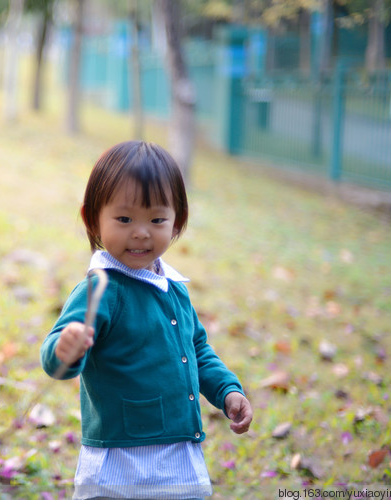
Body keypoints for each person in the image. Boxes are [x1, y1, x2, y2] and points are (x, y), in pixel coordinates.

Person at [40, 141, 253, 500]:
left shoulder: (174, 289)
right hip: (120, 461)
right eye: (124, 219)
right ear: (93, 219)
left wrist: (227, 390)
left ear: (176, 222)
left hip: (177, 456)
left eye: (156, 220)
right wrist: (66, 347)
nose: (141, 232)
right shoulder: (101, 289)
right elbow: (56, 362)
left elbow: (197, 349)